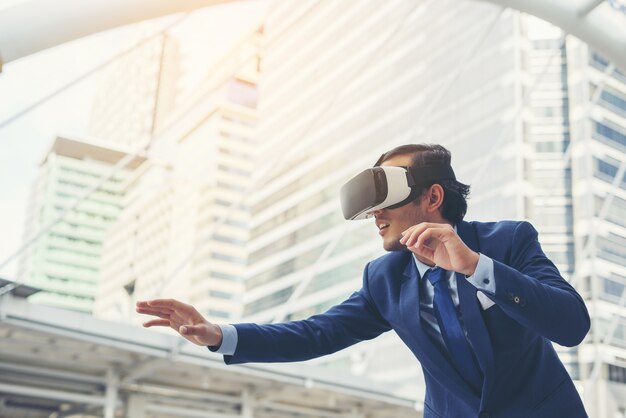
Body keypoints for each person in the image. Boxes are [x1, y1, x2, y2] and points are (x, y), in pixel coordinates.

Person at [137, 143, 590, 418]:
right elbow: (317, 334)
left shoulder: (508, 241)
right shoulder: (384, 279)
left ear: (433, 196)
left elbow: (571, 325)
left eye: (386, 197)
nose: (375, 215)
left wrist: (476, 267)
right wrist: (221, 335)